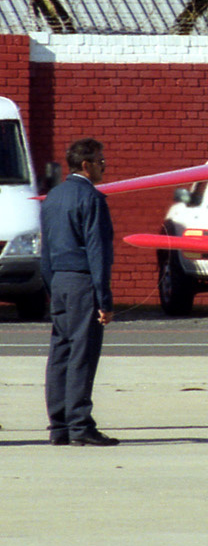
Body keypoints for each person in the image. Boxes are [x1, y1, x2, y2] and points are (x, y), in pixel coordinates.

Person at [41, 138, 118, 447]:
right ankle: (79, 424)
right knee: (83, 354)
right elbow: (98, 251)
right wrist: (104, 299)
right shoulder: (92, 198)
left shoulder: (53, 197)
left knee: (60, 352)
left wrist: (52, 287)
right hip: (83, 281)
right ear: (85, 165)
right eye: (100, 161)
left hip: (59, 280)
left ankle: (58, 424)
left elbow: (45, 250)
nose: (104, 166)